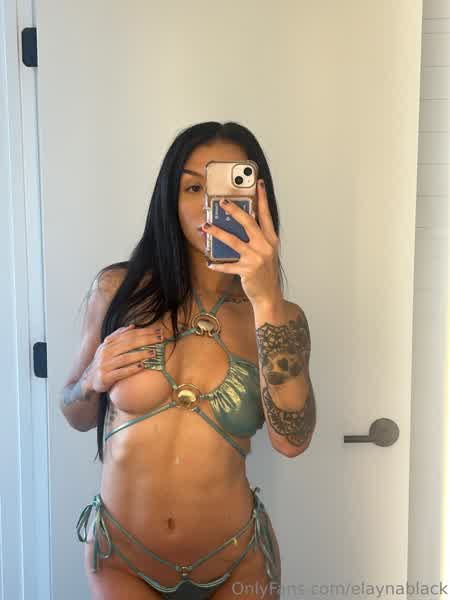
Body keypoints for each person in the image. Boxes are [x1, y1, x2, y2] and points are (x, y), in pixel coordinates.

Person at [61, 121, 316, 599]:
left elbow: (292, 441)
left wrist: (266, 300)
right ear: (169, 199)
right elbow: (74, 413)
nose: (208, 206)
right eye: (193, 187)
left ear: (257, 201)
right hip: (122, 561)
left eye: (226, 190)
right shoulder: (118, 291)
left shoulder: (280, 317)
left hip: (239, 560)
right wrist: (92, 379)